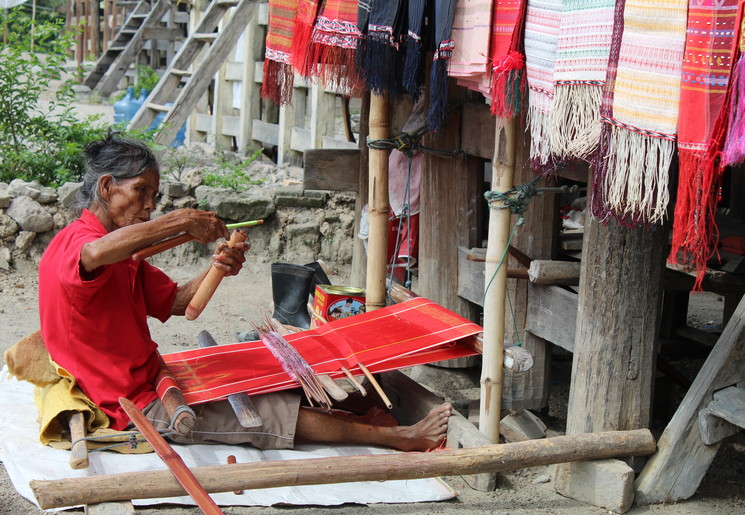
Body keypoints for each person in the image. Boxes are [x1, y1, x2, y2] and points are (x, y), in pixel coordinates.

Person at [38, 133, 451, 452]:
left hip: (152, 375)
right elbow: (91, 255)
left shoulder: (123, 253)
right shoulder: (80, 244)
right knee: (270, 413)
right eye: (141, 191)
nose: (149, 205)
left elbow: (181, 304)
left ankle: (361, 411)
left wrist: (217, 268)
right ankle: (399, 438)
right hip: (127, 402)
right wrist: (181, 219)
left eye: (155, 195)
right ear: (107, 187)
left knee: (266, 370)